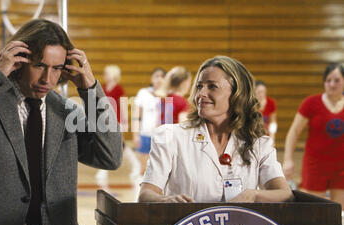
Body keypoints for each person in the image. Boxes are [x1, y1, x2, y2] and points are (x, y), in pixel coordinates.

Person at [0, 19, 123, 225]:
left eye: (57, 69)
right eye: (40, 66)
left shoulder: (67, 111)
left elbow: (111, 157)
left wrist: (91, 91)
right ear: (19, 61)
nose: (48, 79)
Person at [139, 55, 293, 203]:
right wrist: (164, 200)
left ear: (237, 94)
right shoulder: (170, 136)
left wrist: (253, 195)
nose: (201, 93)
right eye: (199, 86)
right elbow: (146, 194)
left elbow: (285, 194)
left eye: (212, 86)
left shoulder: (258, 144)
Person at [283, 63, 344, 208]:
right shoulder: (311, 103)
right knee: (314, 209)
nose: (332, 84)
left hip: (341, 167)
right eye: (328, 80)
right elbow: (294, 131)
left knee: (338, 210)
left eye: (336, 80)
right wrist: (288, 160)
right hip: (316, 165)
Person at [95, 65, 140, 190]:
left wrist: (124, 122)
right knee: (116, 145)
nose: (105, 75)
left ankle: (104, 169)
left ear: (114, 75)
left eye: (107, 73)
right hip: (105, 120)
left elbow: (123, 105)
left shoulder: (119, 89)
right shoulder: (103, 87)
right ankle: (134, 164)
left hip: (117, 121)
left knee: (117, 145)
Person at [132, 68, 166, 192]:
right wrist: (135, 135)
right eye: (156, 76)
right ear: (152, 79)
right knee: (143, 168)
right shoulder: (143, 93)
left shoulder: (168, 94)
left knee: (161, 168)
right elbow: (137, 115)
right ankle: (139, 195)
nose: (159, 79)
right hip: (146, 134)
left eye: (162, 76)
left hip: (162, 136)